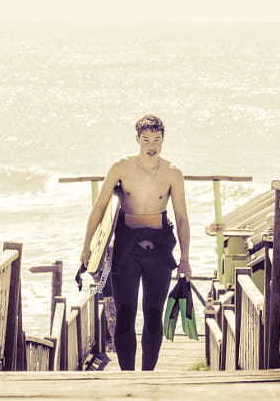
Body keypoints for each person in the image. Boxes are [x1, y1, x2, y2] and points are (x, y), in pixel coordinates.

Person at [80, 114, 191, 371]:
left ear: (163, 139)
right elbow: (100, 207)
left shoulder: (173, 173)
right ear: (137, 139)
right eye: (146, 139)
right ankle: (127, 375)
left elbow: (181, 217)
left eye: (157, 139)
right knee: (125, 313)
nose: (152, 145)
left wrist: (185, 259)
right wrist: (87, 246)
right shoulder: (121, 167)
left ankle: (148, 374)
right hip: (126, 248)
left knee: (153, 313)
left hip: (159, 248)